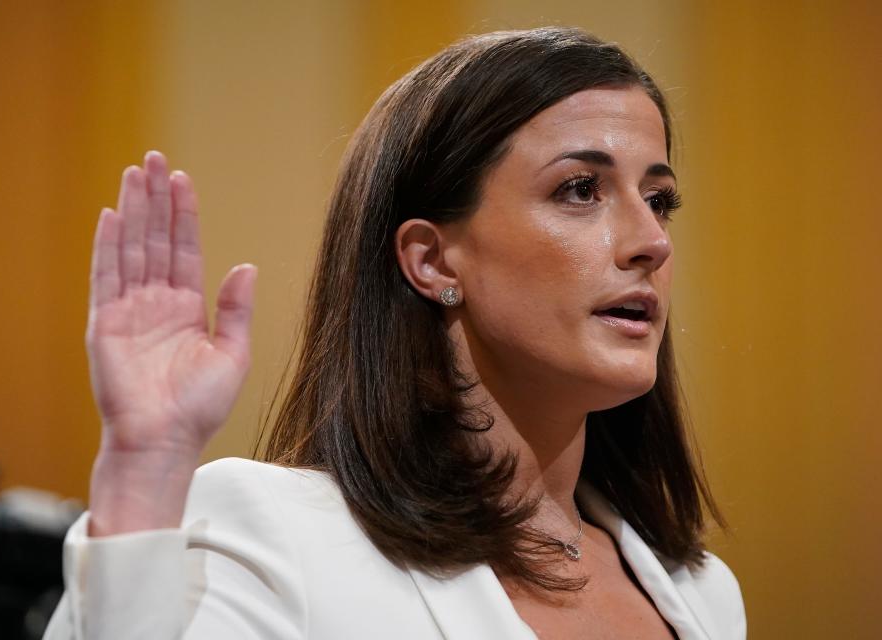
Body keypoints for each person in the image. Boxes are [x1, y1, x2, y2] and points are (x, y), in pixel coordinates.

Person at [43, 26, 746, 640]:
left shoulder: (702, 592)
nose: (651, 240)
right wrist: (145, 466)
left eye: (659, 200)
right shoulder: (278, 535)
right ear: (432, 259)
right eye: (580, 190)